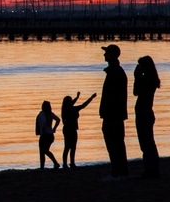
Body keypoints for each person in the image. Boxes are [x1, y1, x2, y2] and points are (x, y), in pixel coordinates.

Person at [99, 44, 128, 179]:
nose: (104, 55)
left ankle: (118, 171)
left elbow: (113, 96)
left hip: (113, 115)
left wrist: (106, 111)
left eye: (106, 53)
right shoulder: (115, 71)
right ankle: (118, 170)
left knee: (114, 143)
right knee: (116, 143)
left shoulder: (115, 72)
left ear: (112, 55)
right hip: (114, 114)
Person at [133, 55, 161, 179]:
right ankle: (152, 167)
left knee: (146, 143)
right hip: (145, 112)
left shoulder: (147, 80)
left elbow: (136, 91)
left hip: (144, 113)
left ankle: (150, 168)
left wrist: (137, 77)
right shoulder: (151, 79)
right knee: (148, 142)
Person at [60, 91, 96, 168]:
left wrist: (77, 97)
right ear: (69, 102)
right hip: (72, 130)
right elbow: (83, 105)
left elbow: (72, 102)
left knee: (67, 147)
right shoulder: (73, 109)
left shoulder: (64, 109)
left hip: (66, 129)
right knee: (72, 147)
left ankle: (65, 164)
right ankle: (72, 163)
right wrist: (91, 98)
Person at [35, 100, 61, 169]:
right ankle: (52, 164)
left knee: (43, 151)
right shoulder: (50, 114)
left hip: (45, 135)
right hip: (50, 135)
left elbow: (42, 124)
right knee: (45, 150)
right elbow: (58, 120)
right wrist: (54, 128)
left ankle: (46, 165)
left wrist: (41, 132)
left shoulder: (42, 114)